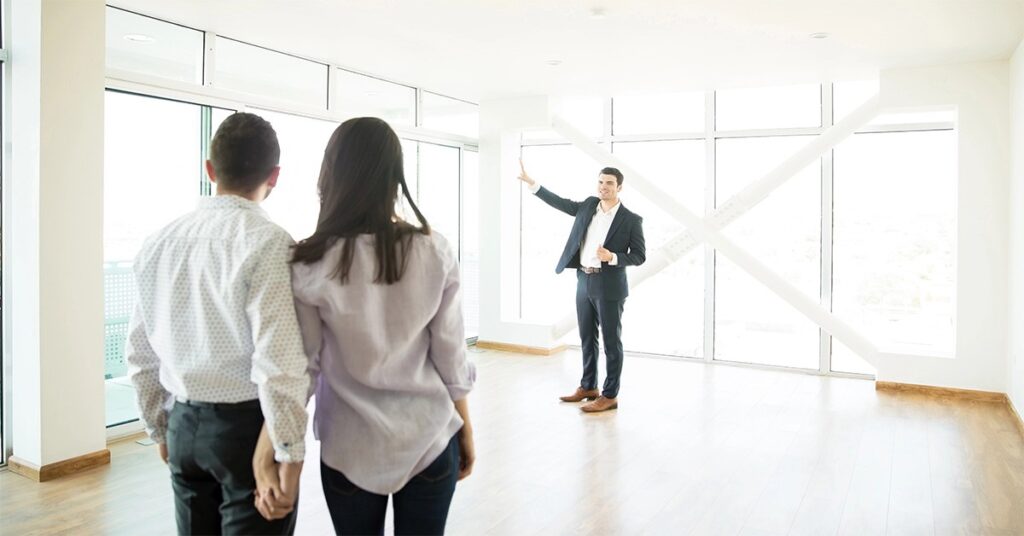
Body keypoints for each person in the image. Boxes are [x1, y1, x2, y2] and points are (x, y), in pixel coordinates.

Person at [262, 116, 476, 535]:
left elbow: (303, 369)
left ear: (330, 175)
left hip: (348, 446)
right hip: (429, 437)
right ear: (395, 176)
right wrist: (465, 427)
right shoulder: (434, 249)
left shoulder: (308, 261)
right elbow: (450, 355)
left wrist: (277, 448)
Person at [126, 112, 311, 535]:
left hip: (182, 424)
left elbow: (139, 351)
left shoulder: (158, 242)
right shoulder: (270, 243)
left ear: (210, 170)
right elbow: (279, 361)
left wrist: (159, 428)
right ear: (275, 176)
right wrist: (289, 452)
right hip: (245, 431)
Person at [518, 159, 646, 412]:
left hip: (609, 285)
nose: (603, 186)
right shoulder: (588, 206)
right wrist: (533, 184)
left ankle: (610, 395)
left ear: (619, 187)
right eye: (601, 182)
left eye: (609, 183)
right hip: (583, 280)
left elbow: (639, 256)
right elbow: (561, 203)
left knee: (611, 343)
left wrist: (613, 257)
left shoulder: (631, 219)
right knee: (587, 337)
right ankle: (588, 387)